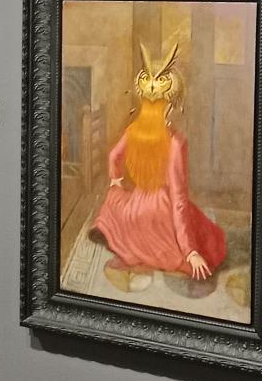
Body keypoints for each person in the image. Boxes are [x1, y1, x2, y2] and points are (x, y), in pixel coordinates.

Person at [90, 40, 227, 289]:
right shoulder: (176, 142)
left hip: (135, 209)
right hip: (161, 214)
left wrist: (116, 181)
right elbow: (178, 201)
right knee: (212, 241)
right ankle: (169, 249)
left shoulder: (133, 130)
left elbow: (113, 157)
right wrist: (189, 251)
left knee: (115, 199)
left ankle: (116, 231)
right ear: (170, 106)